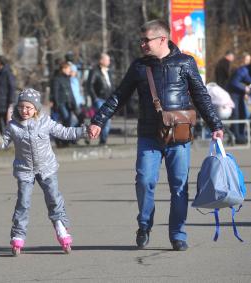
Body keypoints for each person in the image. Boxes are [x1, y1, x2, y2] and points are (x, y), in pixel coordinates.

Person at [88, 19, 223, 251]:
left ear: (162, 39)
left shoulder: (185, 63)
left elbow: (201, 96)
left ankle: (178, 234)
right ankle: (144, 225)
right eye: (140, 40)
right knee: (144, 180)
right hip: (149, 135)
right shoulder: (140, 67)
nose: (141, 44)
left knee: (179, 186)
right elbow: (119, 96)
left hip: (179, 136)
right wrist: (99, 120)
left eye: (145, 40)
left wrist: (215, 125)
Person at [0, 88, 86, 256]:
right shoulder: (13, 126)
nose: (24, 111)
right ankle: (18, 235)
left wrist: (84, 131)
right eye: (21, 107)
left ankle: (61, 228)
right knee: (23, 203)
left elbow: (65, 132)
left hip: (47, 168)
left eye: (29, 108)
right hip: (25, 171)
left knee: (54, 199)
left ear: (36, 109)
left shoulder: (46, 122)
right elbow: (2, 144)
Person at [86, 53, 114, 145]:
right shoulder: (94, 71)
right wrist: (95, 98)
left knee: (106, 120)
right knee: (104, 119)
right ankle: (102, 140)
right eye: (107, 60)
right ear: (101, 60)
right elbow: (89, 86)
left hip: (108, 99)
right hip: (100, 99)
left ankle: (102, 139)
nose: (109, 61)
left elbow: (110, 85)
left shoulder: (108, 71)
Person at [50, 62, 78, 147]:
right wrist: (56, 103)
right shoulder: (57, 79)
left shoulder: (68, 79)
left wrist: (74, 103)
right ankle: (61, 139)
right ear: (63, 69)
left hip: (68, 103)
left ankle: (64, 139)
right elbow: (55, 92)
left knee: (69, 120)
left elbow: (70, 92)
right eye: (68, 69)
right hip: (61, 103)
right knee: (66, 119)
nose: (70, 70)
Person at [227, 52, 251, 144]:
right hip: (233, 95)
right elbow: (233, 82)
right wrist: (245, 88)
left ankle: (239, 135)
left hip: (240, 95)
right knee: (236, 115)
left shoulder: (246, 70)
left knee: (243, 114)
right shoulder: (242, 70)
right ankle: (236, 136)